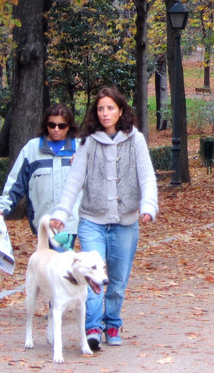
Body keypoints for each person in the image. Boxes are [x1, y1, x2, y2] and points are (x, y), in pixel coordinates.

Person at [50, 87, 158, 351]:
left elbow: (146, 176)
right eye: (100, 108)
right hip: (92, 221)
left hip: (126, 223)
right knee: (93, 275)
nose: (105, 113)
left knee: (118, 280)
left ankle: (112, 323)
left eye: (110, 108)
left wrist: (148, 206)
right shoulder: (87, 142)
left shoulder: (136, 140)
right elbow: (75, 180)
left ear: (120, 110)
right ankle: (92, 328)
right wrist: (62, 213)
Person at [0, 104, 79, 250]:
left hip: (69, 224)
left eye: (61, 125)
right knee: (48, 266)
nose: (56, 129)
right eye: (52, 125)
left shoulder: (80, 148)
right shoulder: (32, 148)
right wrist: (3, 207)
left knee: (59, 264)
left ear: (69, 126)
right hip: (42, 221)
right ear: (46, 124)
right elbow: (17, 181)